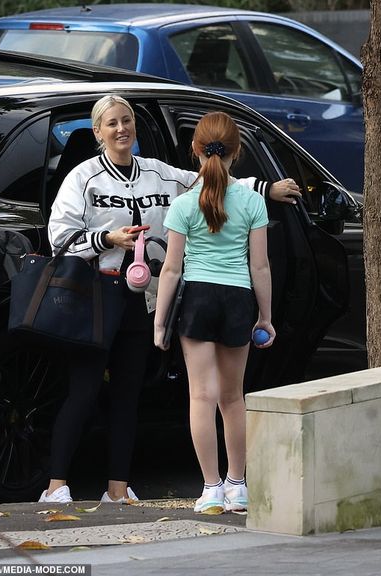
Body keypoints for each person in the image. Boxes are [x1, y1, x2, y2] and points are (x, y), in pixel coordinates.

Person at [41, 96, 295, 504]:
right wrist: (109, 238)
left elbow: (211, 181)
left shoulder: (159, 174)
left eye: (127, 121)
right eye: (112, 124)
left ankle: (118, 489)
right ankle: (56, 486)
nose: (122, 129)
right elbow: (59, 237)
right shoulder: (82, 178)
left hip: (144, 299)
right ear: (97, 132)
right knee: (85, 389)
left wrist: (267, 188)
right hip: (97, 294)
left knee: (129, 392)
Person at [154, 111, 275, 514]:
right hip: (238, 299)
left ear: (195, 149)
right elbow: (259, 266)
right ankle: (238, 485)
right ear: (237, 152)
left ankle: (210, 489)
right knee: (232, 398)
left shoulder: (185, 203)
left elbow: (171, 268)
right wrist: (265, 316)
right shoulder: (254, 201)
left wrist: (160, 320)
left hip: (197, 301)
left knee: (200, 397)